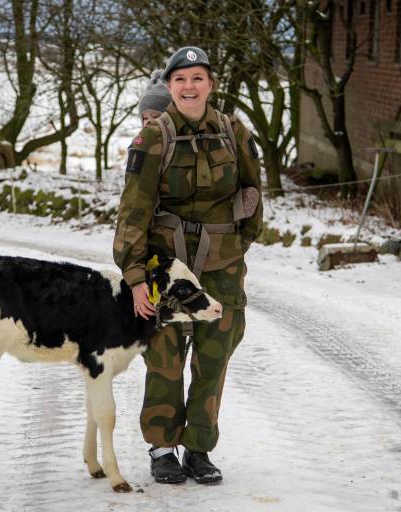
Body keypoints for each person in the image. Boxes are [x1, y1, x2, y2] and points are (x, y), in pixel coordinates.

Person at [113, 46, 263, 485]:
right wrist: (136, 278)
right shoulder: (152, 137)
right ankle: (162, 447)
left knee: (214, 358)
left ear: (210, 84)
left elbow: (254, 195)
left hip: (222, 269)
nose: (189, 87)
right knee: (165, 359)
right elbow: (133, 213)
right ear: (170, 86)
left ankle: (199, 448)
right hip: (166, 268)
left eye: (198, 78)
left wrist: (235, 246)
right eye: (181, 80)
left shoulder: (234, 132)